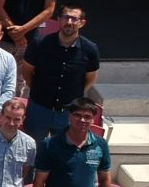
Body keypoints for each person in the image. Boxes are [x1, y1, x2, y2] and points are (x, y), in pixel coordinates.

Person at [22, 7, 100, 143]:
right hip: (39, 110)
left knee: (64, 154)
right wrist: (37, 90)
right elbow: (27, 71)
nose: (69, 22)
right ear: (59, 19)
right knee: (31, 152)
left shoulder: (90, 49)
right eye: (66, 17)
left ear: (82, 23)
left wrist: (73, 96)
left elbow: (90, 78)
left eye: (74, 19)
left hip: (69, 114)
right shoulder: (40, 44)